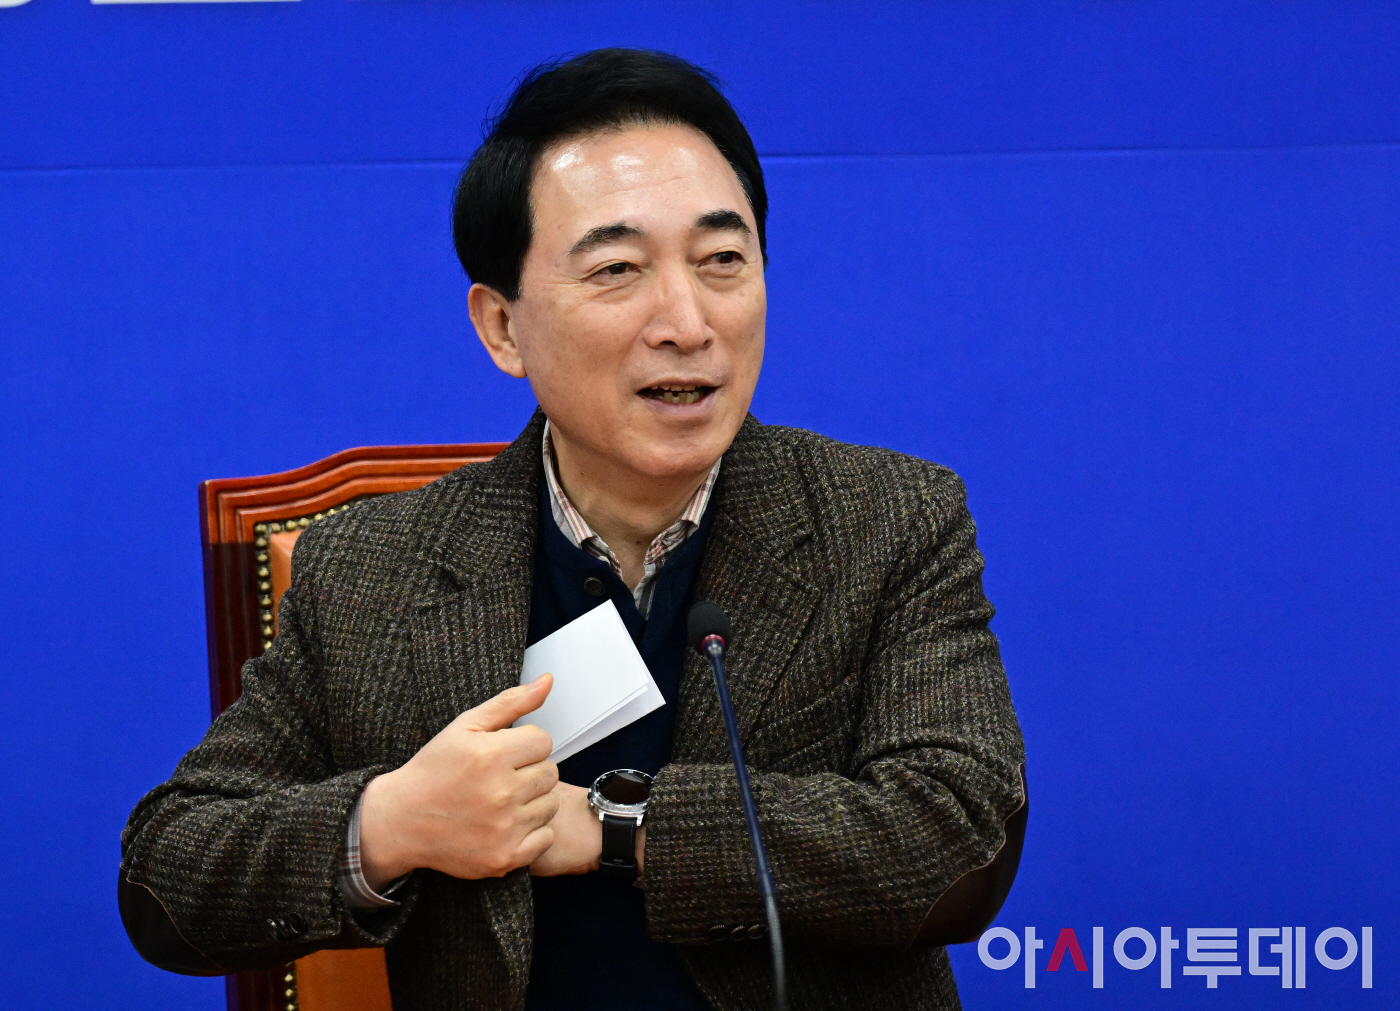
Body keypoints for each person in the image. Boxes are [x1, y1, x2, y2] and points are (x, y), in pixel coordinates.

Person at [120, 48, 1027, 1011]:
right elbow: (168, 879)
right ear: (502, 328)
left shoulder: (887, 519)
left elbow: (960, 841)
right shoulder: (375, 570)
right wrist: (392, 821)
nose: (687, 322)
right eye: (617, 270)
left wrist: (618, 827)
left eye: (722, 260)